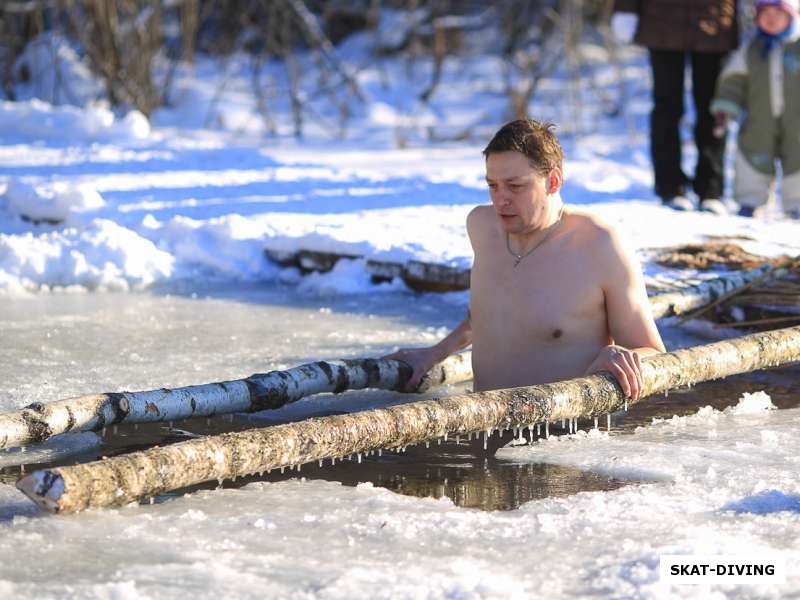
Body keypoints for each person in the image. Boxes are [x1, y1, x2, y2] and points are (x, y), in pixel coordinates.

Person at [387, 119, 665, 402]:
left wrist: (621, 355)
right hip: (480, 426)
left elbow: (654, 353)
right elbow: (492, 314)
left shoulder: (599, 244)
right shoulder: (482, 227)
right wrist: (436, 352)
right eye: (492, 185)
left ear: (553, 181)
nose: (500, 199)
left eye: (515, 186)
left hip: (563, 435)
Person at [611, 0, 739, 215]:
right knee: (666, 107)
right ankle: (670, 187)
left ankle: (711, 188)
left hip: (714, 20)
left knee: (714, 108)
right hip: (662, 20)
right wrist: (626, 8)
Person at [711, 0, 800, 219]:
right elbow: (733, 80)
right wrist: (725, 108)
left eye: (778, 14)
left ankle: (797, 203)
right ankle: (750, 200)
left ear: (791, 16)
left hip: (797, 120)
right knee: (752, 154)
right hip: (759, 118)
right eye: (765, 13)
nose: (771, 19)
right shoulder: (750, 48)